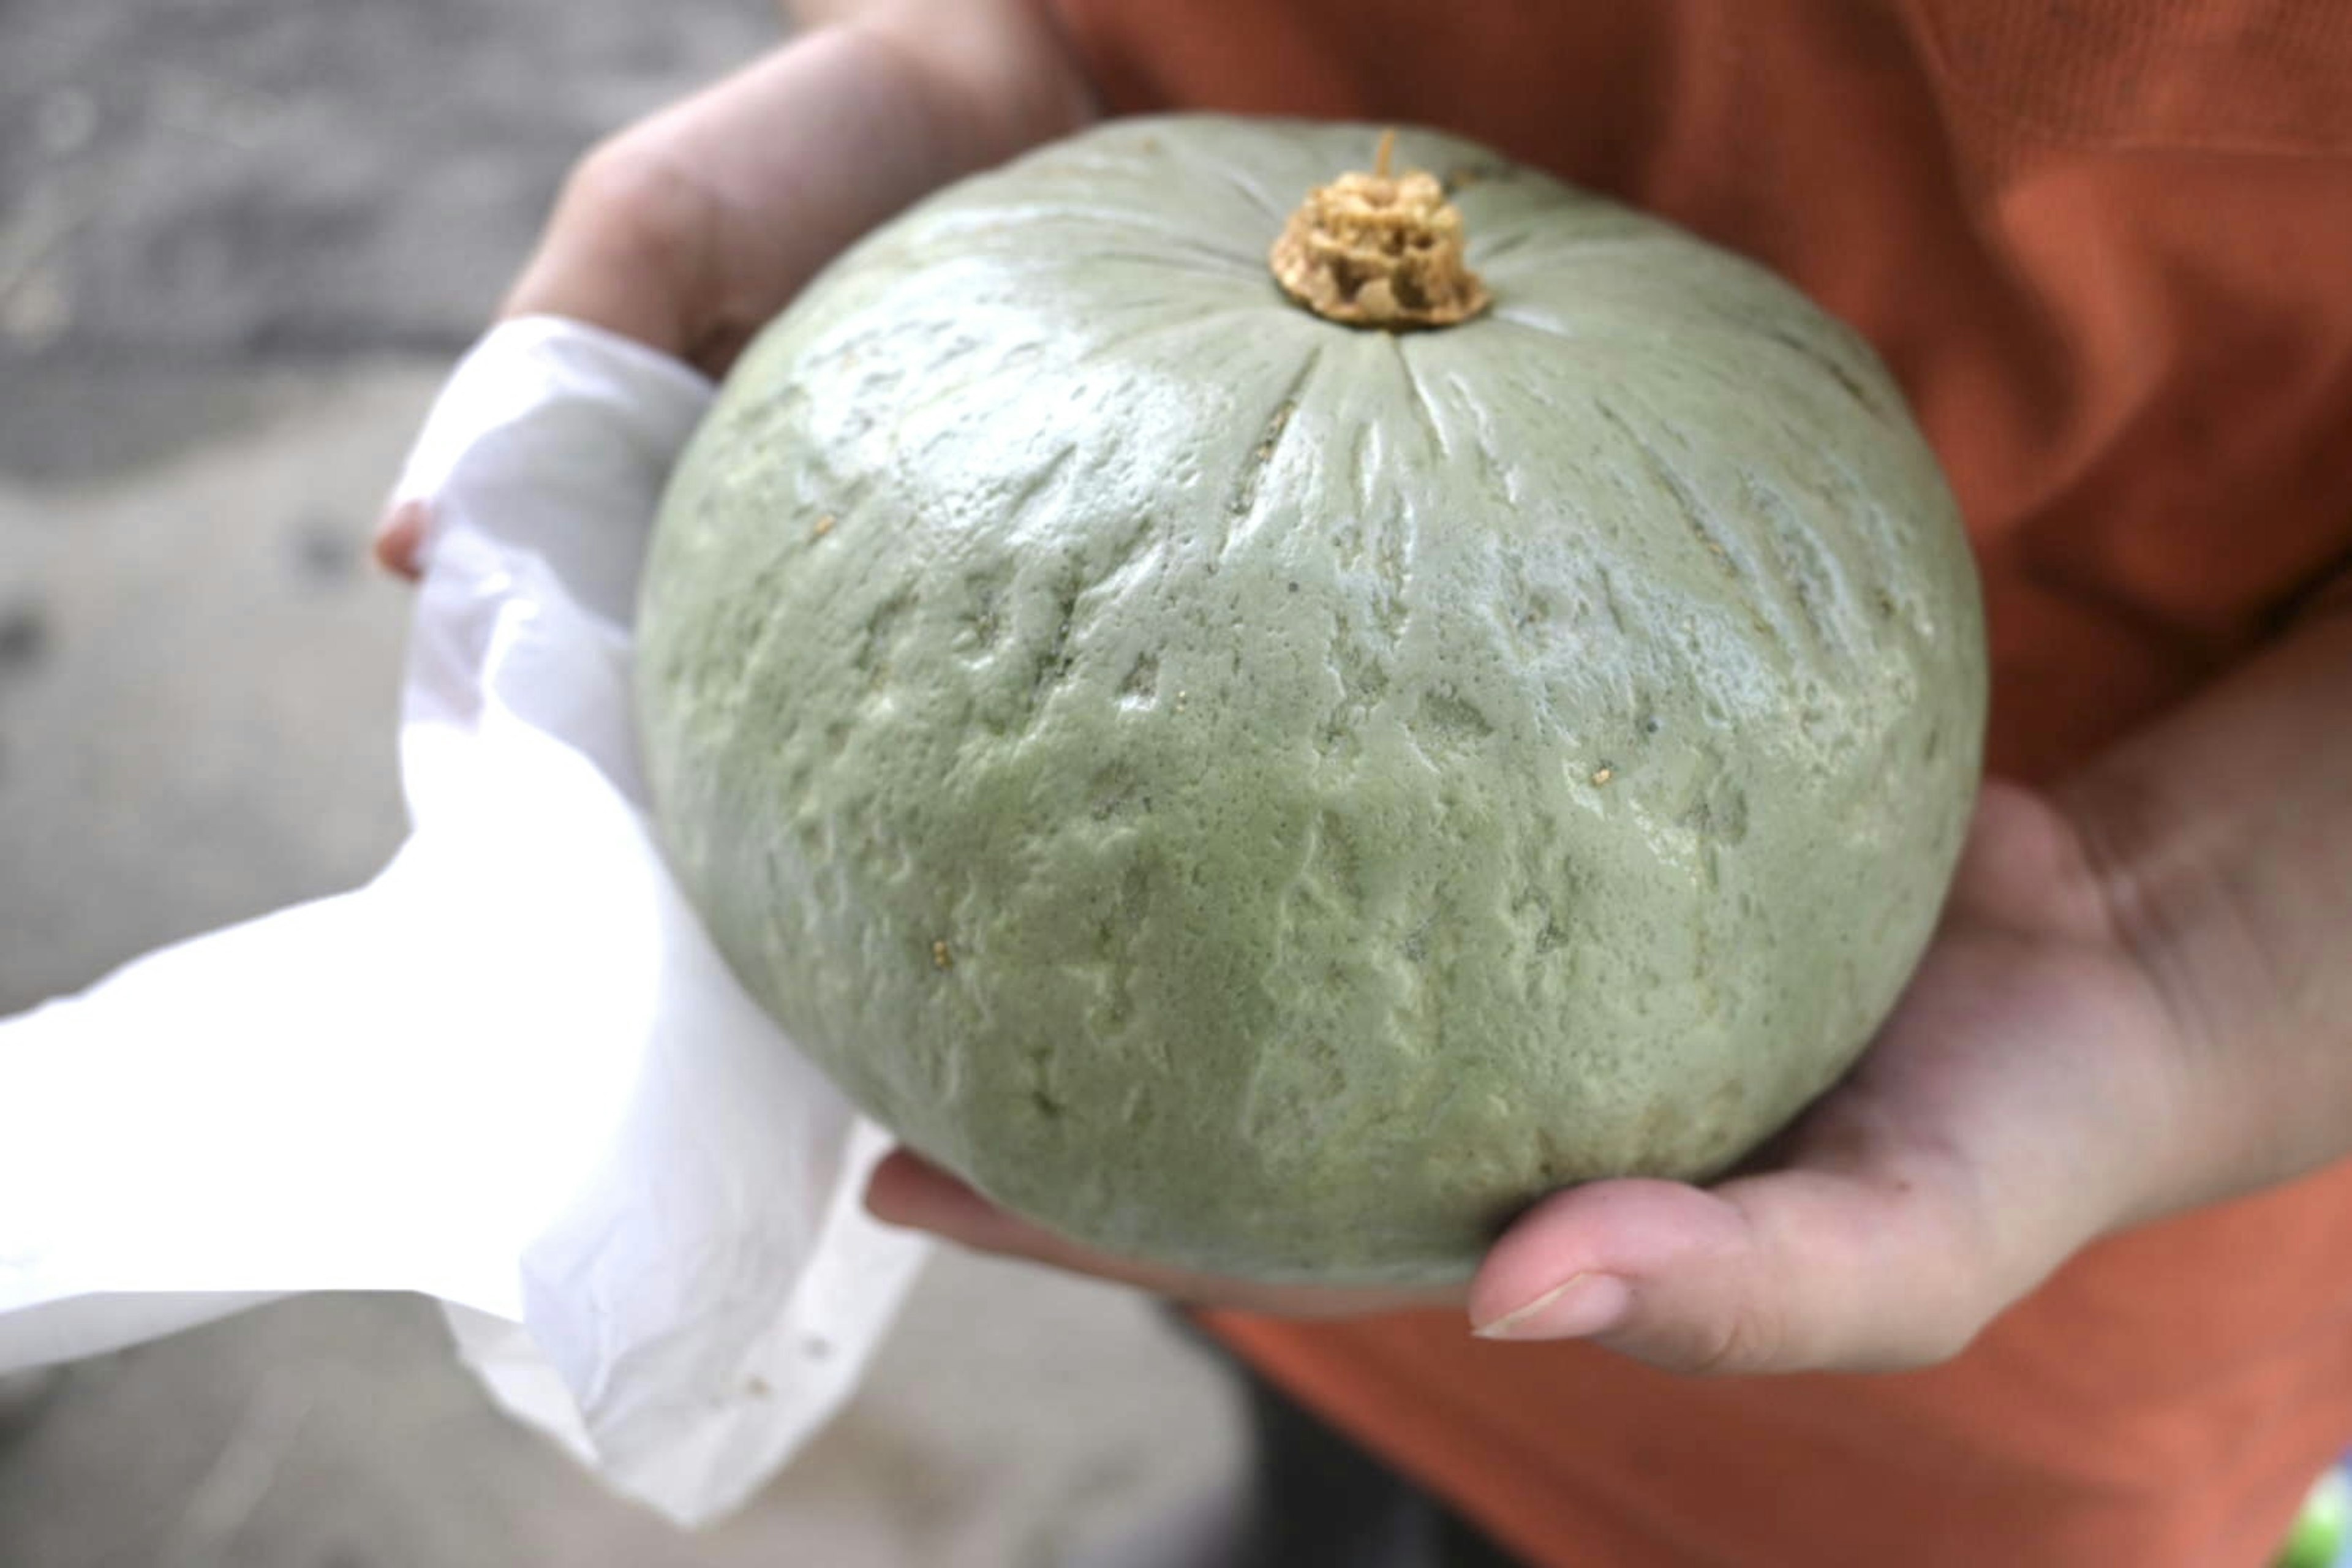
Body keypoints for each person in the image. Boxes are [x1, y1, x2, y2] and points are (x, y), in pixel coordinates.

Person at [379, 2, 2352, 1561]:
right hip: (1198, 1037)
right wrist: (958, 37)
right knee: (1299, 1431)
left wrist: (2189, 968)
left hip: (2083, 1130)